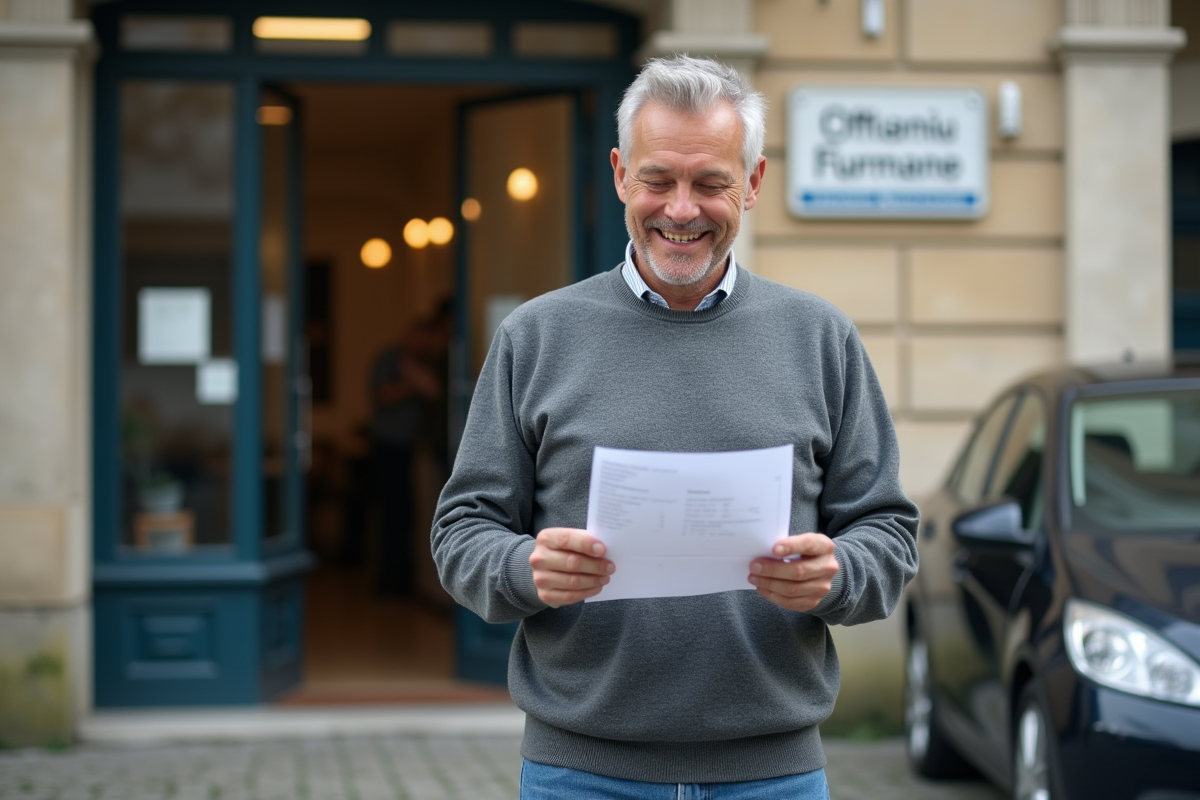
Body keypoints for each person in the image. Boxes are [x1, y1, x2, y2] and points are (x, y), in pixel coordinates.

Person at [431, 55, 918, 798]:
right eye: (658, 180)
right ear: (622, 174)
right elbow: (463, 529)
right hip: (580, 771)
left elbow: (887, 530)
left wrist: (839, 574)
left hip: (773, 774)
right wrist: (523, 568)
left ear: (752, 185)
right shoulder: (537, 337)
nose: (681, 209)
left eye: (710, 183)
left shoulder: (820, 339)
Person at [368, 306, 450, 596]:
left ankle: (405, 579)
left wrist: (417, 380)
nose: (421, 342)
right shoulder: (390, 359)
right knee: (391, 512)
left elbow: (436, 392)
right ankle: (389, 580)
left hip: (414, 448)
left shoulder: (428, 363)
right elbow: (383, 395)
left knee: (409, 513)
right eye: (418, 336)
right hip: (387, 446)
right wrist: (412, 383)